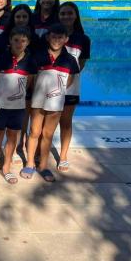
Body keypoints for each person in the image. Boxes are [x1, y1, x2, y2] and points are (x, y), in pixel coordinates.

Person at [22, 24, 79, 182]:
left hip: (56, 101)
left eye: (60, 37)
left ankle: (44, 166)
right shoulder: (38, 55)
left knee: (48, 134)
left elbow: (69, 80)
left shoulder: (70, 60)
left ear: (66, 39)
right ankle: (30, 163)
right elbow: (31, 78)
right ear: (48, 37)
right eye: (54, 37)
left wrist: (56, 93)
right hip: (38, 100)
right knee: (34, 132)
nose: (56, 40)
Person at [0, 27, 37, 184]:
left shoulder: (30, 62)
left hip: (18, 107)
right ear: (10, 41)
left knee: (13, 136)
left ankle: (6, 167)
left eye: (23, 40)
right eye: (16, 40)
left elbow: (28, 83)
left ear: (28, 42)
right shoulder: (1, 58)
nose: (19, 43)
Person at [57, 2, 90, 173]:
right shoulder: (51, 35)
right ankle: (41, 151)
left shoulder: (83, 39)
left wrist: (67, 78)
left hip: (71, 86)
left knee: (66, 122)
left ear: (75, 16)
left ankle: (63, 156)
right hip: (51, 86)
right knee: (46, 122)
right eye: (63, 13)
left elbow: (81, 63)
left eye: (69, 13)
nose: (66, 16)